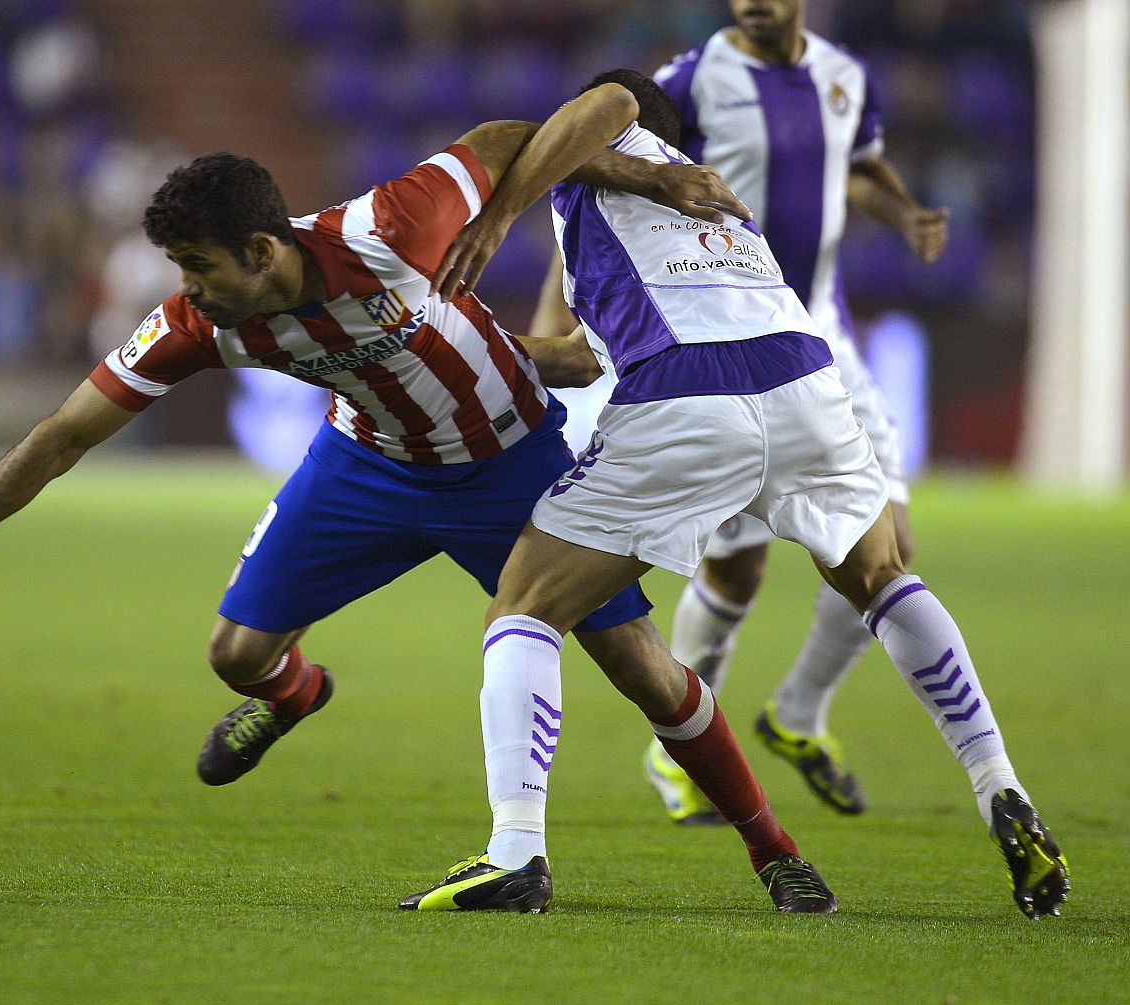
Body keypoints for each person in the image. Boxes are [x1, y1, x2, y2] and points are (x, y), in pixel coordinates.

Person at [0, 122, 832, 915]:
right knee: (234, 654)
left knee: (643, 671)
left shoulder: (388, 227)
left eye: (199, 265)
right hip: (365, 465)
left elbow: (500, 141)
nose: (188, 287)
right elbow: (59, 436)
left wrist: (639, 178)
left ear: (262, 249)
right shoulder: (201, 324)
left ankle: (772, 851)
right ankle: (294, 694)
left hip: (508, 463)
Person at [416, 68, 1066, 920]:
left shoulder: (615, 130)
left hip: (690, 393)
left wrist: (496, 218)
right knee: (882, 577)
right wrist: (447, 340)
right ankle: (998, 782)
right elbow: (576, 358)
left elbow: (607, 104)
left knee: (526, 606)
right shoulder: (711, 204)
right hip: (804, 386)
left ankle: (515, 852)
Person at [615, 0, 1005, 835]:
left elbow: (854, 167)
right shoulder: (691, 82)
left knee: (892, 545)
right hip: (733, 336)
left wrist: (903, 212)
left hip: (824, 334)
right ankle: (674, 743)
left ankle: (797, 712)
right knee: (736, 573)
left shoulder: (842, 77)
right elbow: (634, 176)